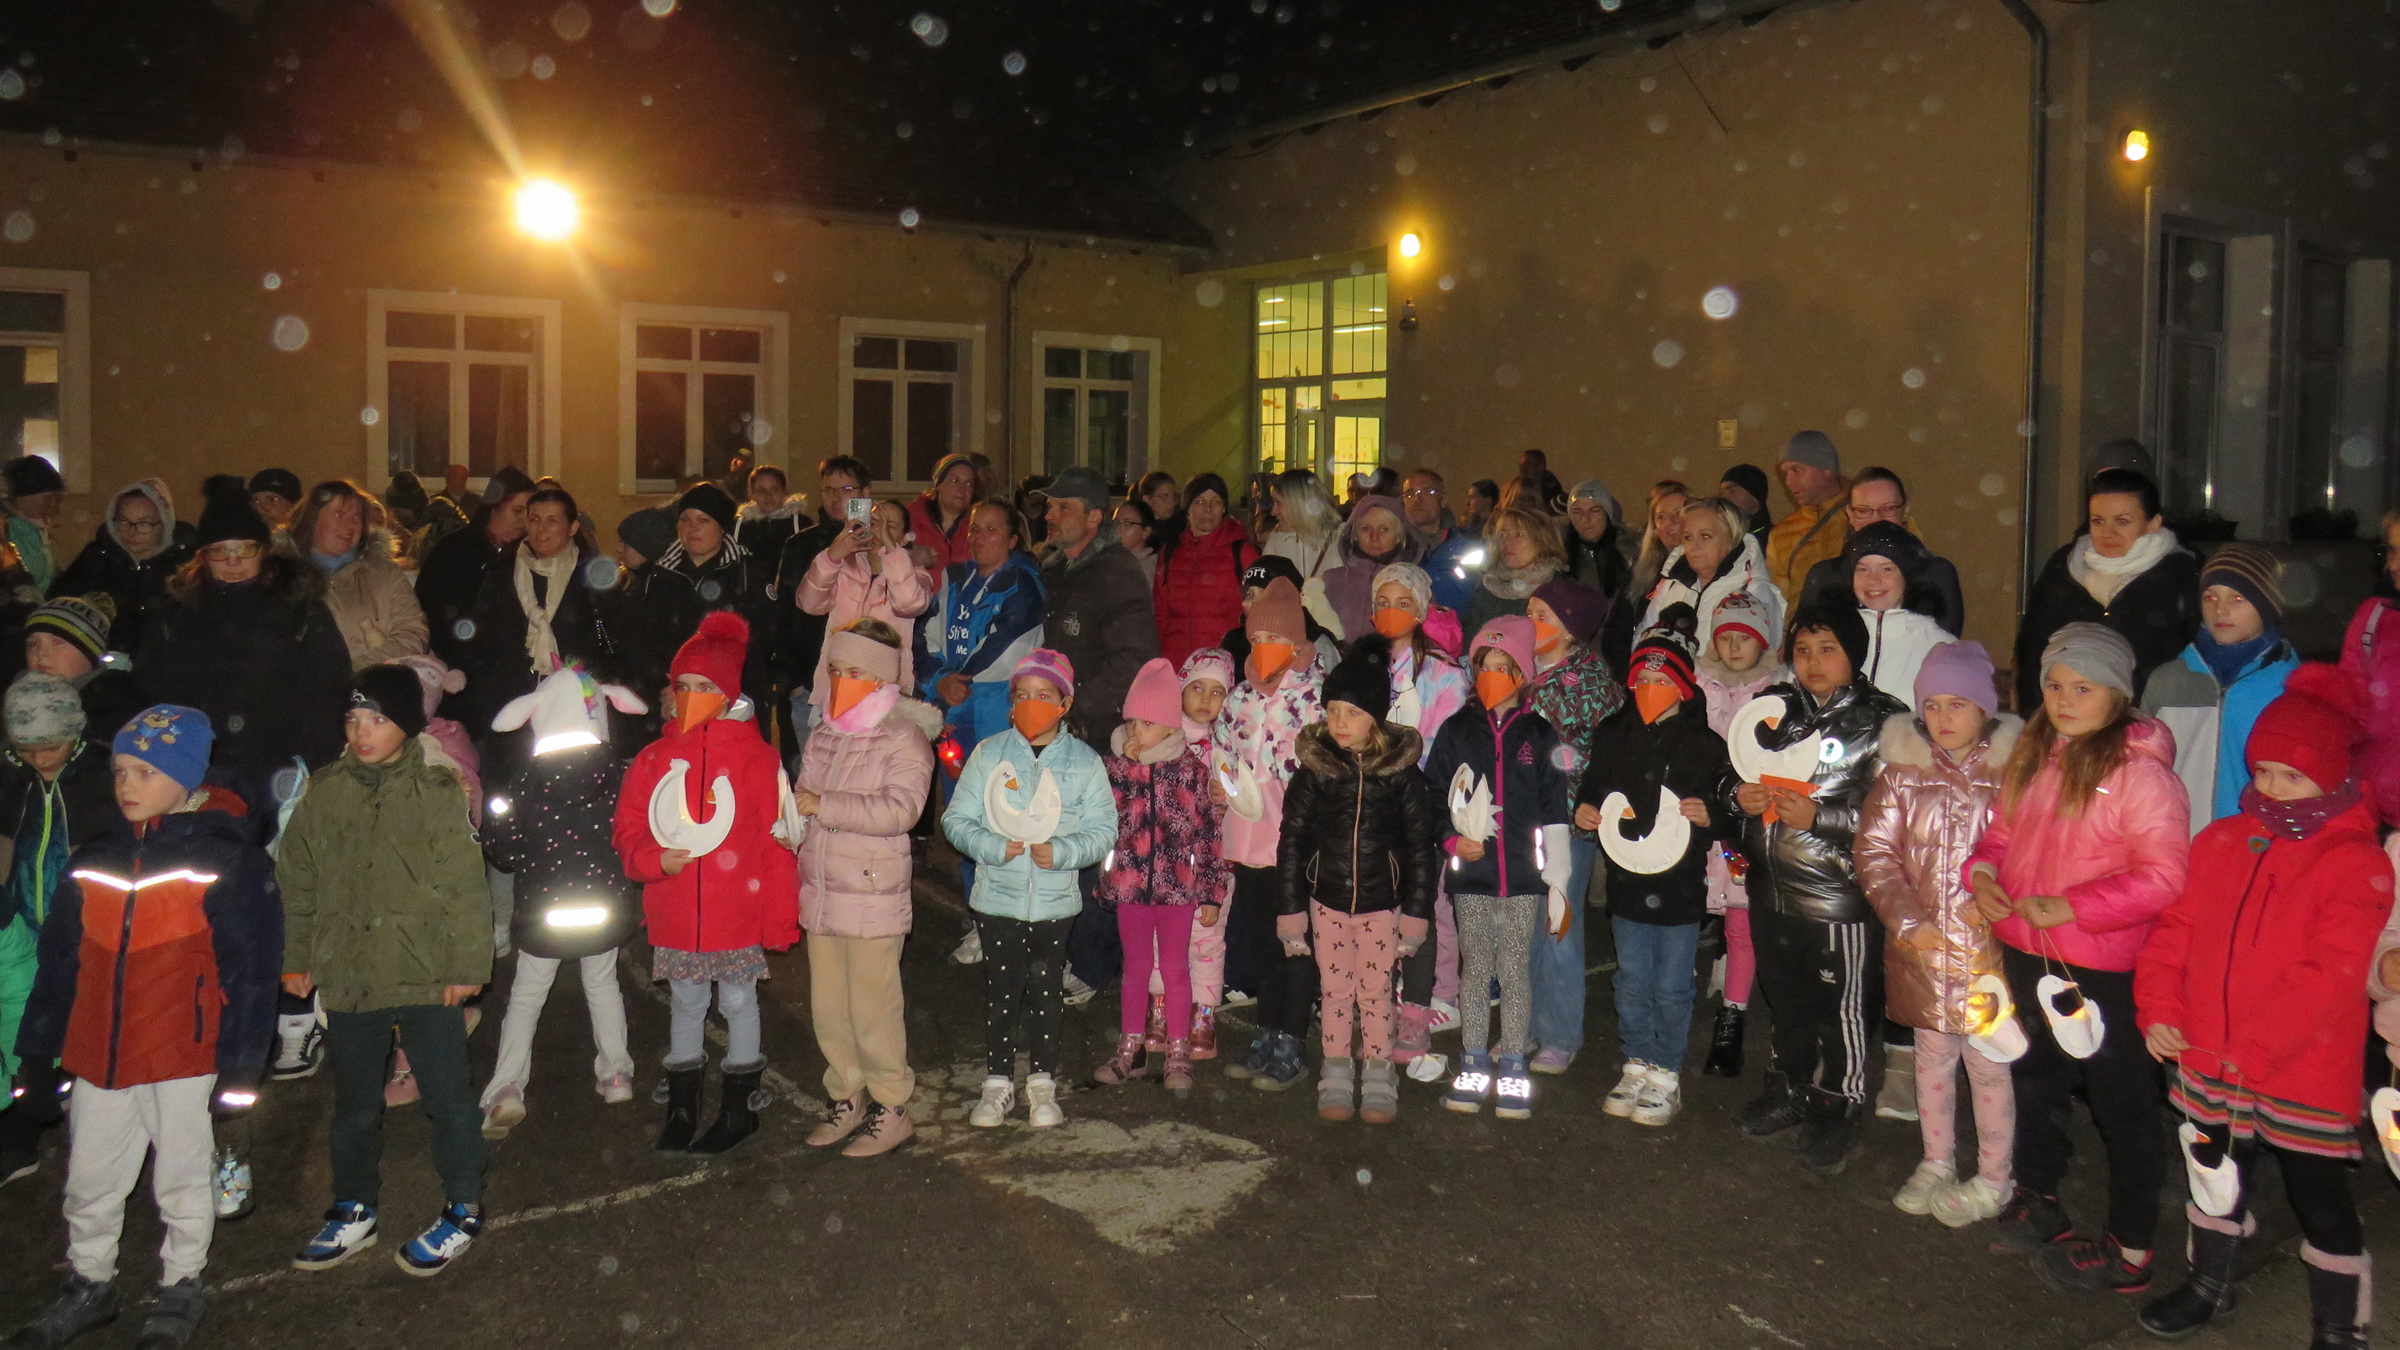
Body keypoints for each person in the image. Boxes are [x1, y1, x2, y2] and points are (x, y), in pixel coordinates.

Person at [6, 703, 278, 1349]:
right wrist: (37, 1053)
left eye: (146, 772)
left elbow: (252, 968)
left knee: (182, 1176)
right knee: (90, 1176)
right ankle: (90, 1281)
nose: (127, 785)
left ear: (186, 778)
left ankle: (181, 1283)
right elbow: (60, 962)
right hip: (99, 1052)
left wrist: (242, 1063)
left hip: (183, 1052)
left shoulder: (224, 859)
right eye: (121, 771)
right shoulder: (95, 857)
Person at [2133, 665, 2389, 1346]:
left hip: (2301, 1064)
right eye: (2264, 771)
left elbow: (2330, 976)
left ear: (2331, 778)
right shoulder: (2222, 840)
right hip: (2210, 1054)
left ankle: (2340, 1324)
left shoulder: (2354, 860)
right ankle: (2210, 1283)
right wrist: (2161, 1008)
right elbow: (2175, 933)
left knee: (2319, 1196)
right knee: (2216, 1175)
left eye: (2292, 777)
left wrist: (2254, 1049)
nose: (2271, 789)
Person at [1966, 622, 2188, 1293]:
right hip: (2027, 951)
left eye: (2083, 688)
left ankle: (2132, 1244)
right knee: (2037, 1079)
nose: (2064, 699)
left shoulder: (2141, 776)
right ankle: (2039, 1193)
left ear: (2118, 694)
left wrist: (2073, 906)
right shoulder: (2036, 756)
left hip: (2100, 966)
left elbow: (2164, 877)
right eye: (2055, 685)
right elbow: (1998, 838)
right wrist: (1983, 877)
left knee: (2123, 1103)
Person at [280, 673, 492, 1278]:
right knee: (353, 1104)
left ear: (408, 724)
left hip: (427, 973)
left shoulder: (437, 790)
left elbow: (464, 886)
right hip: (351, 973)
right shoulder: (325, 792)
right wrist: (298, 954)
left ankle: (463, 1204)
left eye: (377, 719)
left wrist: (467, 964)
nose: (362, 732)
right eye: (353, 720)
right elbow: (297, 877)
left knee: (449, 1100)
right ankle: (354, 1207)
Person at [1725, 605, 1906, 1173]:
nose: (1813, 662)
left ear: (1855, 655)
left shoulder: (1885, 722)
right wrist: (1737, 797)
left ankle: (1840, 1105)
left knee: (1842, 1011)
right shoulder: (1774, 709)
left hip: (1838, 898)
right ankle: (1791, 1087)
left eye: (1828, 650)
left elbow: (1897, 817)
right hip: (1770, 889)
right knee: (1788, 1002)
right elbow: (1730, 772)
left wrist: (1821, 818)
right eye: (1803, 650)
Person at [613, 614, 797, 1159]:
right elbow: (629, 826)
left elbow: (776, 843)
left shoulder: (757, 759)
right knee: (687, 1003)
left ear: (729, 694)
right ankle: (683, 1107)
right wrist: (652, 860)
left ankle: (739, 1108)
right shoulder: (654, 759)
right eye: (684, 685)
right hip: (676, 915)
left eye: (705, 686)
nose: (691, 696)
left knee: (738, 1002)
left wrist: (778, 917)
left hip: (735, 913)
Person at [1855, 641, 2021, 1227]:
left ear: (1985, 709)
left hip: (1988, 954)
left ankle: (1996, 1175)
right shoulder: (1903, 775)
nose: (1944, 717)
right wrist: (1907, 921)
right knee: (1931, 1058)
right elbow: (1875, 853)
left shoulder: (2012, 775)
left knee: (1989, 1063)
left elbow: (2028, 851)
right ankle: (1936, 1160)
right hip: (1924, 949)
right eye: (1932, 705)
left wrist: (1997, 905)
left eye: (1958, 704)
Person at [943, 649, 1116, 1130]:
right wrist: (992, 848)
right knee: (1001, 993)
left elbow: (1104, 829)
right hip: (996, 899)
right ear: (1010, 702)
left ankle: (1042, 1083)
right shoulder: (990, 754)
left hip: (1055, 903)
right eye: (1021, 695)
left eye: (1043, 695)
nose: (1031, 705)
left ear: (1065, 703)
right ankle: (997, 1083)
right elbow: (957, 819)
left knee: (1045, 991)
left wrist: (1063, 852)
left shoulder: (1083, 762)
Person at [475, 665, 647, 1141]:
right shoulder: (618, 775)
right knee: (602, 983)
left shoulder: (523, 782)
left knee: (527, 996)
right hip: (603, 908)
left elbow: (505, 852)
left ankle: (507, 1086)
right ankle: (616, 1073)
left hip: (545, 912)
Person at [1574, 613, 1731, 1129]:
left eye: (1662, 680)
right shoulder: (1613, 734)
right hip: (1627, 884)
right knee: (1631, 978)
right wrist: (1585, 808)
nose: (1650, 687)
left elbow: (1727, 806)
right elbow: (1595, 787)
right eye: (1642, 678)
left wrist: (1711, 815)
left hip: (1680, 888)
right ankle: (1636, 1060)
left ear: (1684, 687)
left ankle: (1665, 1071)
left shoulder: (1705, 745)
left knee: (1672, 984)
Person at [792, 619, 938, 1159]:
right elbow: (804, 795)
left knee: (874, 1009)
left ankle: (891, 1106)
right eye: (835, 670)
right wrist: (789, 823)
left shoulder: (904, 737)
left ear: (880, 679)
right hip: (823, 892)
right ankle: (846, 1095)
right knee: (830, 1008)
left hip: (872, 895)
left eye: (853, 671)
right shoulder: (826, 734)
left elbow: (902, 810)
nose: (840, 681)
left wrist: (823, 807)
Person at [1278, 637, 1438, 1124]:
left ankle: (1379, 1072)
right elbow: (1291, 839)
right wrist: (1290, 910)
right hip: (1326, 901)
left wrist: (1416, 913)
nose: (1340, 722)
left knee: (1375, 991)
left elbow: (1420, 847)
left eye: (1352, 712)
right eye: (1333, 711)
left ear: (1376, 716)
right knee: (1334, 991)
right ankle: (1335, 1070)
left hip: (1381, 903)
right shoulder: (1316, 770)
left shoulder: (1401, 775)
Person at [1426, 615, 1573, 1119]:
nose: (1491, 675)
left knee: (1513, 970)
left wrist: (1558, 879)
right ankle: (1472, 1060)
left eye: (1502, 666)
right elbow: (1432, 795)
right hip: (1473, 877)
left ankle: (1512, 1062)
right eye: (1483, 665)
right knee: (1474, 971)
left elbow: (1556, 811)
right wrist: (1451, 840)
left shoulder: (1540, 734)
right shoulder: (1456, 730)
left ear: (1523, 673)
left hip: (1524, 880)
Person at [138, 493, 353, 807]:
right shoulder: (176, 614)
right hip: (193, 770)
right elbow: (150, 689)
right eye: (220, 551)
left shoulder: (299, 609)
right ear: (203, 556)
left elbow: (331, 687)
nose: (233, 561)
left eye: (245, 549)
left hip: (280, 771)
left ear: (264, 550)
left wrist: (309, 762)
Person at [0, 674, 119, 1188]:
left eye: (50, 746)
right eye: (26, 749)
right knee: (25, 1021)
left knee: (87, 1018)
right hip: (23, 924)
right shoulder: (13, 780)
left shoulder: (102, 778)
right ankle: (22, 1127)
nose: (40, 758)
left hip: (86, 925)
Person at [1093, 658, 1227, 1098]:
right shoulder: (1115, 771)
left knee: (1175, 968)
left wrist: (1211, 892)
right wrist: (1107, 879)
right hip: (1131, 886)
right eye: (1131, 722)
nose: (1135, 732)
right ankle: (1130, 1047)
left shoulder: (1191, 773)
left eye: (1146, 724)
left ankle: (1178, 1048)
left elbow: (1208, 836)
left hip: (1177, 891)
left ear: (1170, 726)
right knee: (1134, 968)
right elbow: (1102, 825)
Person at [1215, 578, 1326, 1091]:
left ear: (1296, 643)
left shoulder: (1317, 697)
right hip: (1246, 836)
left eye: (1274, 640)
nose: (1263, 649)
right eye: (1256, 639)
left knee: (1295, 941)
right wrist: (1220, 784)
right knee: (1263, 938)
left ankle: (1292, 1037)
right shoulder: (1239, 697)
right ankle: (1266, 1029)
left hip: (1294, 837)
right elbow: (1221, 752)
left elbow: (1325, 766)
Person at [1519, 576, 1622, 1073]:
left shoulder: (1589, 683)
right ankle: (1522, 1025)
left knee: (1558, 923)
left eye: (1542, 617)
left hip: (1565, 824)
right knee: (1523, 925)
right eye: (1528, 612)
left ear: (1570, 630)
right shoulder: (1520, 669)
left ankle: (1560, 1033)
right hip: (1521, 822)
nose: (1529, 623)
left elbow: (1592, 757)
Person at [2014, 468, 2199, 715]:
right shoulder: (2064, 566)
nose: (2107, 533)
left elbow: (2191, 654)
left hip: (2147, 719)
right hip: (2065, 716)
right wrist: (2035, 717)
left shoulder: (2180, 573)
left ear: (2153, 523)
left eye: (2122, 521)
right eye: (2098, 521)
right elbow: (2032, 647)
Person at [2140, 542, 2297, 829]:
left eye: (2238, 598)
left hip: (2254, 843)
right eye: (2210, 597)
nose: (2221, 609)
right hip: (2176, 840)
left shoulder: (2290, 688)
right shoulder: (2168, 682)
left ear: (2267, 606)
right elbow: (2140, 770)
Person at [1695, 589, 1785, 1079]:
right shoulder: (1697, 686)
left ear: (1763, 642)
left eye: (1745, 638)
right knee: (1681, 919)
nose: (1733, 647)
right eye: (1725, 636)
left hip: (1741, 833)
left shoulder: (1778, 694)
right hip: (1697, 825)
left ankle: (1732, 1018)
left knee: (1740, 919)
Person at [631, 483, 779, 719]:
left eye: (703, 520)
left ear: (722, 527)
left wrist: (705, 688)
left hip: (733, 704)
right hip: (667, 702)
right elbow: (640, 640)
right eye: (685, 520)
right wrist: (673, 686)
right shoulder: (655, 574)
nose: (693, 528)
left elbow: (760, 642)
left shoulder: (749, 574)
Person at [1038, 464, 1158, 752]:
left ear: (1094, 517)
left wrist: (1076, 703)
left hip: (1096, 734)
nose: (1049, 515)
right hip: (1061, 723)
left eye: (1063, 507)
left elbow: (1134, 656)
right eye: (1050, 506)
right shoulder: (1057, 570)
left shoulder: (1117, 573)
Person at [797, 496, 933, 713]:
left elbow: (909, 604)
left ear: (904, 537)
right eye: (875, 522)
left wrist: (892, 552)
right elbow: (809, 604)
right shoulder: (844, 568)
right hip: (835, 688)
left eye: (890, 526)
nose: (880, 531)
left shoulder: (916, 575)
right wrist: (832, 557)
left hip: (884, 693)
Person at [1169, 648, 1237, 1058]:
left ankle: (1203, 1014)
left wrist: (1226, 797)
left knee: (1207, 940)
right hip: (1163, 863)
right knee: (1163, 942)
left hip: (1212, 865)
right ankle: (1162, 1009)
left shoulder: (1230, 746)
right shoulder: (1161, 739)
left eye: (1217, 692)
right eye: (1197, 688)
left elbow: (1244, 800)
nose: (1206, 700)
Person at [1798, 468, 1965, 636]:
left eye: (1888, 508)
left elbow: (1945, 642)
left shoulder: (1935, 574)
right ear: (1850, 514)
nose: (1876, 519)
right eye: (1864, 510)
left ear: (1905, 510)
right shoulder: (1826, 577)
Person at [774, 457, 872, 739]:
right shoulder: (800, 545)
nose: (836, 498)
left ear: (865, 494)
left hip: (870, 682)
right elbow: (784, 614)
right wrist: (791, 680)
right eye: (829, 490)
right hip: (811, 684)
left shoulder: (880, 543)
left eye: (846, 490)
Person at [1627, 495, 1783, 671]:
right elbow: (1643, 640)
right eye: (1688, 537)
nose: (1694, 546)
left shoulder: (1753, 590)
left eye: (1705, 536)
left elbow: (1764, 665)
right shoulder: (1671, 584)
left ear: (1732, 538)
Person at [285, 481, 429, 670]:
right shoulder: (283, 578)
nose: (350, 525)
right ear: (312, 520)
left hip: (378, 684)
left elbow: (412, 634)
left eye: (357, 517)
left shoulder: (384, 573)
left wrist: (357, 671)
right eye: (339, 515)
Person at [418, 467, 537, 686]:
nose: (523, 521)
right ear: (495, 507)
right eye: (517, 510)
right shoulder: (453, 549)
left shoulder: (528, 556)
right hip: (456, 672)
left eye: (529, 514)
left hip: (513, 674)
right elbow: (428, 610)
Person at [52, 478, 192, 655]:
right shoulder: (97, 558)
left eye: (144, 524)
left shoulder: (183, 567)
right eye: (123, 521)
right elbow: (60, 606)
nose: (131, 532)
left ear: (164, 523)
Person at [1150, 472, 1255, 669]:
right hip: (1176, 663)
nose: (1207, 509)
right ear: (1188, 508)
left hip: (1222, 665)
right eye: (1199, 502)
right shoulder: (1171, 552)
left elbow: (1257, 610)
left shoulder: (1242, 552)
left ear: (1224, 508)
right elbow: (1161, 611)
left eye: (1215, 502)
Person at [1843, 522, 1953, 706]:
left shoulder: (1941, 647)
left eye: (1887, 569)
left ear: (1907, 576)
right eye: (1862, 569)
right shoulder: (1831, 638)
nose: (1873, 579)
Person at [2340, 507, 2400, 826]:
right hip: (2371, 811)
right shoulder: (2373, 617)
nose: (2394, 565)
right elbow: (2346, 706)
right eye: (2392, 551)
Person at [24, 593, 144, 746]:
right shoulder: (16, 702)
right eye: (33, 644)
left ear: (89, 653)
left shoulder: (114, 714)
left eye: (58, 642)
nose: (41, 653)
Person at [1317, 492, 1420, 642]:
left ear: (1399, 536)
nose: (1374, 537)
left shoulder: (1415, 584)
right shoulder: (1330, 582)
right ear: (1354, 535)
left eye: (1384, 529)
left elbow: (1426, 639)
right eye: (1365, 529)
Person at [1763, 432, 1850, 608]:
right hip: (1802, 625)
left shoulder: (1866, 516)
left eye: (1796, 470)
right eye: (1785, 473)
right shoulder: (1780, 535)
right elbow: (1777, 603)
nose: (1789, 481)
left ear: (1826, 469)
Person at [1459, 505, 1567, 640]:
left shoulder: (1560, 591)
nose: (1507, 542)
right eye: (1502, 535)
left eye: (1519, 535)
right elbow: (1469, 639)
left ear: (1542, 541)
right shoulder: (1488, 585)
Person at [1406, 470, 1483, 614]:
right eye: (1410, 494)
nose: (1417, 499)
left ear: (1444, 500)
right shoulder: (1393, 546)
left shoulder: (1468, 546)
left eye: (1428, 491)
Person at [1260, 468, 1342, 582]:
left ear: (1298, 504)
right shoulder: (1277, 540)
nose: (1273, 512)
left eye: (1278, 503)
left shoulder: (1343, 540)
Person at [907, 453, 982, 573]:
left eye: (969, 484)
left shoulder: (979, 524)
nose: (962, 489)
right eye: (954, 481)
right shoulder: (911, 519)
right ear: (938, 485)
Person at [2, 454, 66, 593]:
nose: (54, 504)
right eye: (47, 498)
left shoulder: (37, 531)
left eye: (58, 498)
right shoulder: (9, 532)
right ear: (21, 498)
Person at [1561, 480, 1632, 600]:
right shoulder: (1558, 558)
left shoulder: (1631, 554)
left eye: (1594, 511)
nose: (1585, 519)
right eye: (1577, 512)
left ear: (1608, 514)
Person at [732, 464, 806, 563]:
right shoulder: (740, 527)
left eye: (774, 490)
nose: (768, 496)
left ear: (784, 491)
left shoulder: (801, 525)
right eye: (761, 491)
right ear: (752, 494)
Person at [1719, 464, 1773, 540]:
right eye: (1721, 493)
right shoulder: (1721, 539)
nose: (1724, 497)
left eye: (1732, 491)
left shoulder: (1776, 538)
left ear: (1754, 495)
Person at [1517, 449, 1568, 514]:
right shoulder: (1515, 485)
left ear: (1541, 466)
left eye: (1527, 464)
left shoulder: (1551, 489)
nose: (1522, 469)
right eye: (1520, 465)